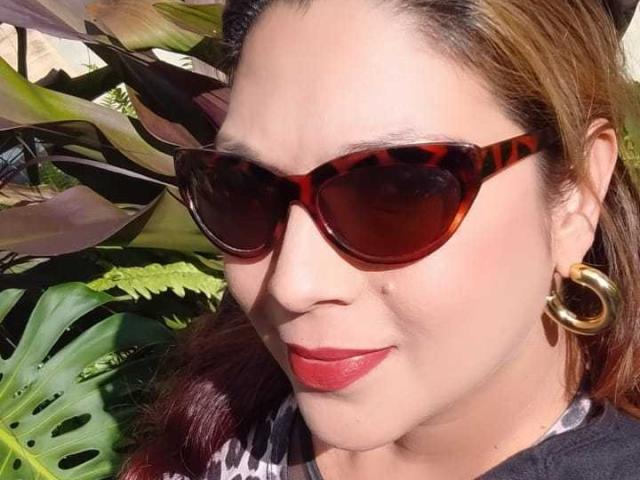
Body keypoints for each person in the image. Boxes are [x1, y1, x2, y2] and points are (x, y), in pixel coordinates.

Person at [119, 1, 640, 479]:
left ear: (577, 194)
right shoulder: (227, 405)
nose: (292, 286)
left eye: (396, 194)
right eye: (243, 188)